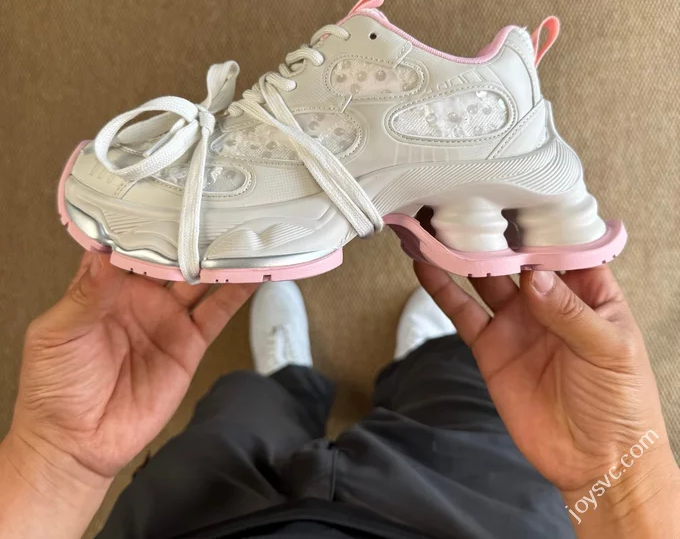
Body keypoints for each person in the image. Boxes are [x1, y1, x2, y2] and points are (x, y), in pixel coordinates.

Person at [0, 253, 678, 539]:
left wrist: (55, 461)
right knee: (469, 397)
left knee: (238, 413)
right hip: (478, 525)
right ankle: (423, 362)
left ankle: (289, 382)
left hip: (189, 526)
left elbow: (56, 466)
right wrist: (617, 477)